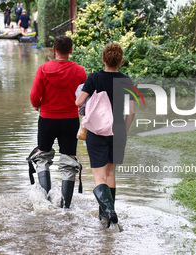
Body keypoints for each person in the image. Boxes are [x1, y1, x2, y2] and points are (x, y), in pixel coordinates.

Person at [76, 43, 135, 228]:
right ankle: (106, 220)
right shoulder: (126, 80)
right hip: (117, 130)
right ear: (121, 61)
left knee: (99, 177)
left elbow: (79, 102)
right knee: (110, 174)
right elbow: (131, 112)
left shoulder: (94, 78)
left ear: (103, 59)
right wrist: (123, 130)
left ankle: (110, 214)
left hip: (97, 132)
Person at [29, 35, 87, 209]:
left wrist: (38, 106)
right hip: (70, 120)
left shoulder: (43, 69)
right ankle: (65, 208)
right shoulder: (80, 71)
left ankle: (45, 203)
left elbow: (34, 96)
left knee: (43, 157)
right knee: (69, 161)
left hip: (47, 119)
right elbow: (84, 98)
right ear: (70, 50)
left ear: (54, 49)